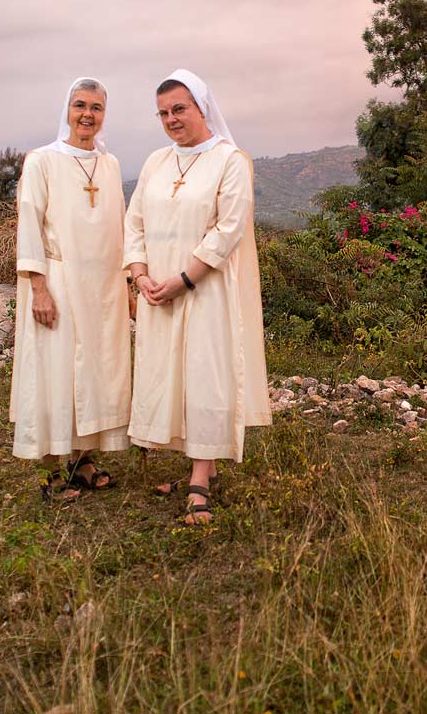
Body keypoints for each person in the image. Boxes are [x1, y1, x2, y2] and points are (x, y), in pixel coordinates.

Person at [124, 69, 271, 524]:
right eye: (164, 112)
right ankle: (185, 458)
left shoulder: (231, 160)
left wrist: (182, 281)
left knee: (204, 375)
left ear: (202, 108)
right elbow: (135, 222)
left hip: (203, 290)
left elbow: (228, 229)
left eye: (179, 109)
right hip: (157, 291)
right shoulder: (155, 162)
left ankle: (201, 477)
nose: (171, 119)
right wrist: (140, 274)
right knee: (169, 376)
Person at [9, 77, 134, 499]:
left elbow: (119, 226)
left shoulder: (111, 164)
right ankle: (48, 477)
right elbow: (29, 227)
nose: (87, 114)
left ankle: (83, 462)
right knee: (56, 375)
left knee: (97, 374)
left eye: (96, 108)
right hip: (59, 282)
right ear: (67, 110)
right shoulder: (41, 161)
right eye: (80, 105)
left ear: (104, 115)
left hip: (103, 288)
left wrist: (128, 284)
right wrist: (38, 289)